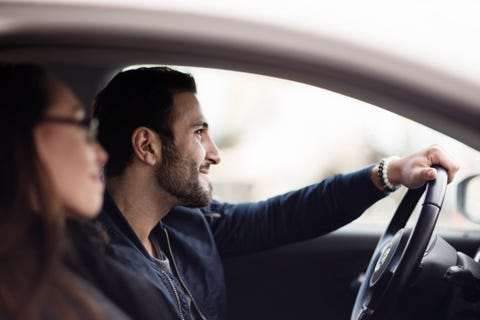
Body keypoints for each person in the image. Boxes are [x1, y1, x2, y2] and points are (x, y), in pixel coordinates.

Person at [92, 66, 460, 320]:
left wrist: (390, 172)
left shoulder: (182, 222)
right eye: (198, 133)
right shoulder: (96, 266)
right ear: (147, 146)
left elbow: (279, 217)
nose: (215, 154)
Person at [0, 63, 177, 320]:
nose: (101, 154)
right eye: (81, 126)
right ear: (19, 132)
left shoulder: (68, 252)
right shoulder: (21, 286)